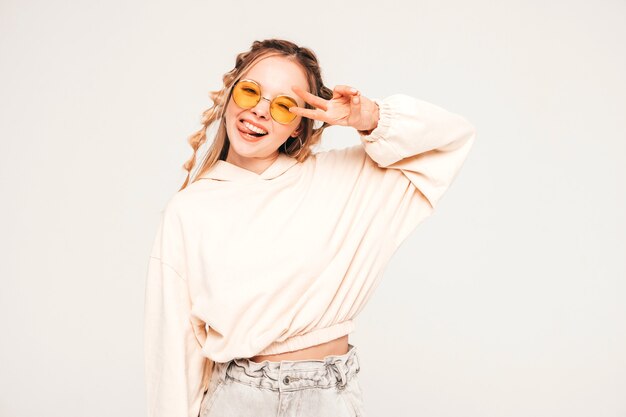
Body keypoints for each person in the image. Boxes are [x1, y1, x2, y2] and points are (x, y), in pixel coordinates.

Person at [143, 38, 477, 417]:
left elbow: (451, 139)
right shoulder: (189, 210)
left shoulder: (346, 178)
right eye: (251, 91)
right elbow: (173, 350)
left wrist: (371, 118)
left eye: (284, 106)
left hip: (327, 398)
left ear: (300, 127)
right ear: (230, 96)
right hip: (238, 399)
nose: (259, 112)